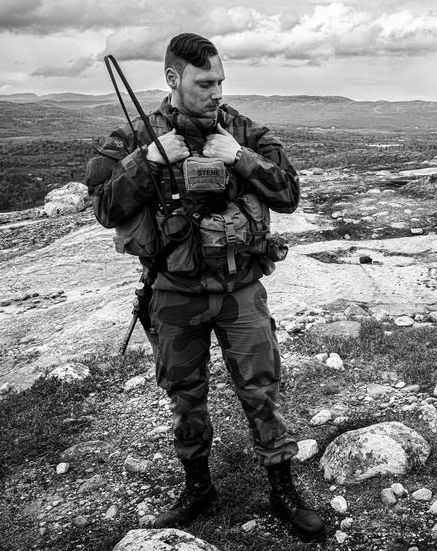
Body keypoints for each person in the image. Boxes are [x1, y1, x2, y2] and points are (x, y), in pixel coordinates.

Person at [84, 33, 325, 541]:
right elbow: (106, 208)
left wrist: (240, 157)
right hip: (172, 290)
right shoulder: (135, 137)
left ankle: (281, 486)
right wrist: (146, 161)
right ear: (173, 79)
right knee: (184, 395)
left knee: (261, 389)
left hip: (240, 288)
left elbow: (290, 195)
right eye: (204, 82)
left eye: (220, 81)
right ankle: (198, 487)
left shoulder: (242, 131)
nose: (216, 91)